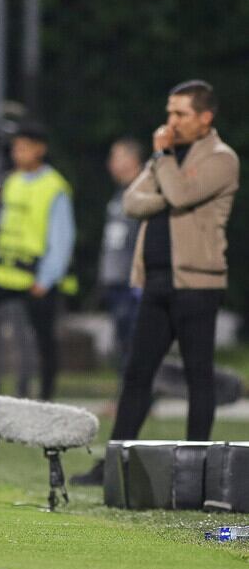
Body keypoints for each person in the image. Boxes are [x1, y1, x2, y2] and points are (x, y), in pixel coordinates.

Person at [72, 80, 239, 486]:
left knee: (199, 376)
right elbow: (132, 201)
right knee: (136, 373)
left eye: (181, 114)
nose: (172, 122)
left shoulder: (221, 158)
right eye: (170, 112)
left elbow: (182, 194)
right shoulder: (166, 157)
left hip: (197, 283)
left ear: (205, 117)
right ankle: (114, 466)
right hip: (156, 283)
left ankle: (198, 472)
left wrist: (163, 167)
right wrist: (166, 184)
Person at [0, 122, 76, 400]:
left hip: (36, 276)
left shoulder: (54, 187)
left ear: (40, 150)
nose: (17, 153)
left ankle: (47, 396)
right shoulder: (12, 181)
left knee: (44, 338)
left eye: (23, 148)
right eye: (16, 148)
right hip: (6, 271)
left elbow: (61, 238)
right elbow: (8, 227)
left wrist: (47, 279)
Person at [99, 138, 143, 376]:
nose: (110, 164)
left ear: (132, 159)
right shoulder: (120, 194)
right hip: (116, 280)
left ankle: (135, 397)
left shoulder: (144, 193)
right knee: (122, 341)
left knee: (133, 342)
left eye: (116, 157)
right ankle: (126, 395)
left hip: (132, 282)